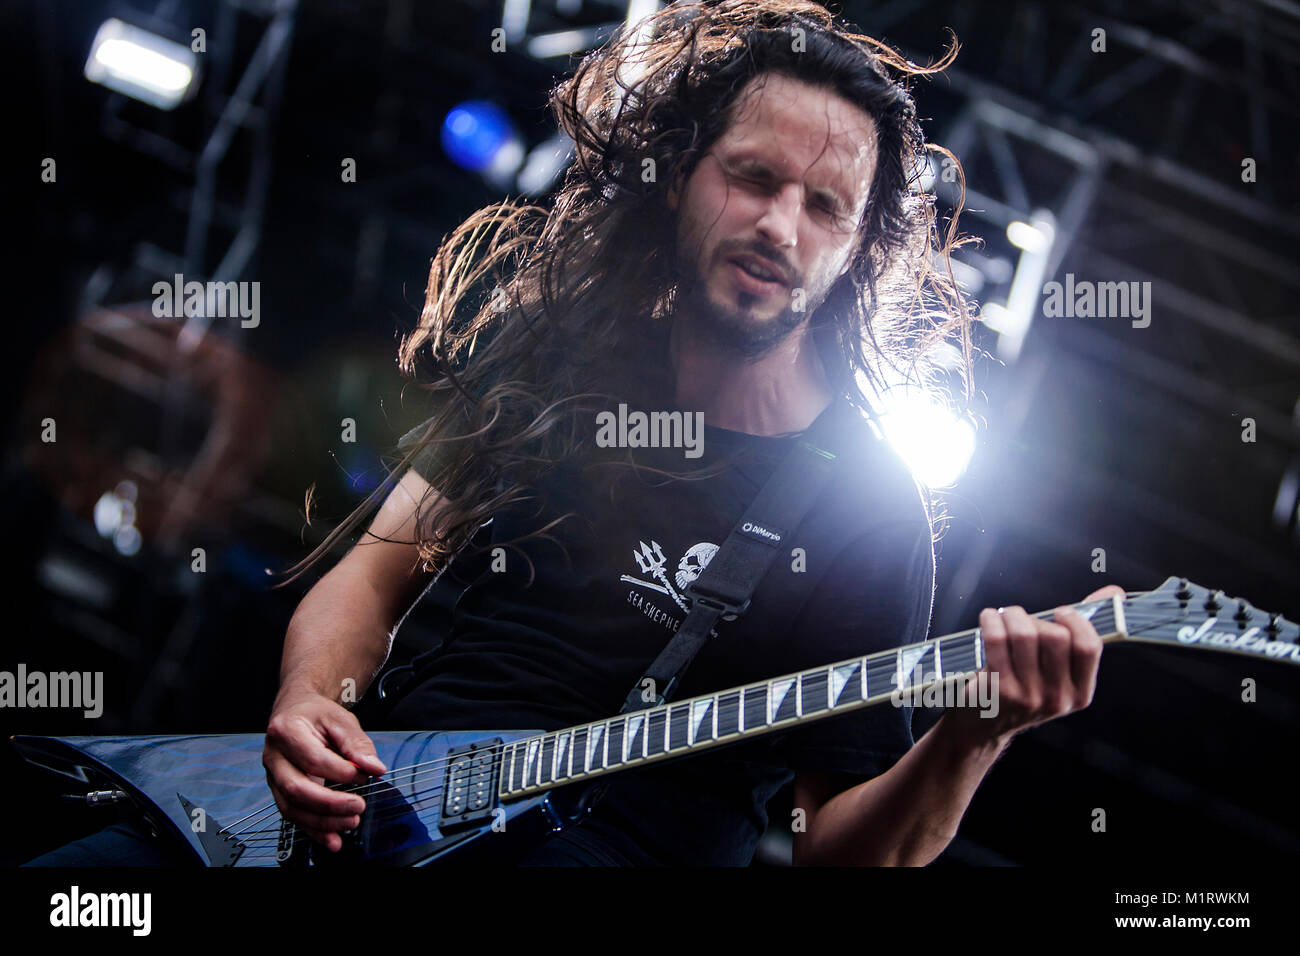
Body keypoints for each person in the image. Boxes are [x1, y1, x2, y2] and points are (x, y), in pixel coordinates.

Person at [24, 0, 1121, 867]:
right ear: (682, 177)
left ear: (854, 252)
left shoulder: (868, 514)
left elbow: (845, 847)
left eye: (825, 206)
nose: (780, 225)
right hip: (358, 813)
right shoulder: (561, 361)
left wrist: (973, 735)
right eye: (751, 176)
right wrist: (311, 701)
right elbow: (370, 576)